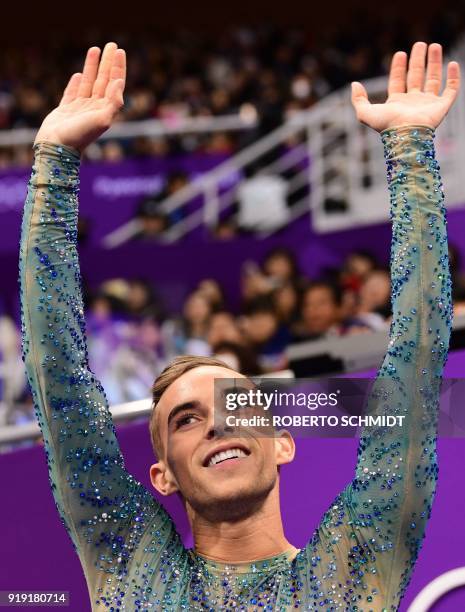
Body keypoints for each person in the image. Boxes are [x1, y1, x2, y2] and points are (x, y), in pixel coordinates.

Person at [19, 41, 458, 610]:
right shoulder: (131, 562)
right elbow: (58, 380)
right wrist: (53, 164)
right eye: (185, 421)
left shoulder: (351, 567)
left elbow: (415, 365)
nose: (217, 425)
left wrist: (411, 148)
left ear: (282, 443)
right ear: (162, 477)